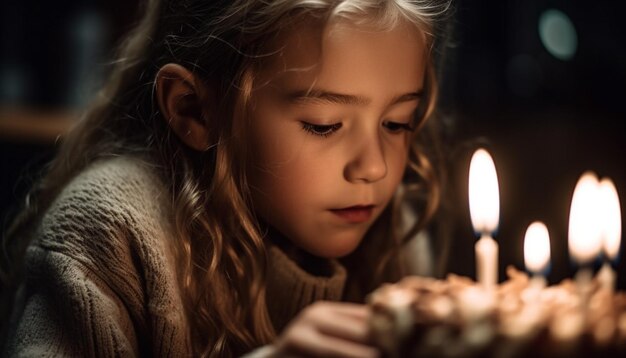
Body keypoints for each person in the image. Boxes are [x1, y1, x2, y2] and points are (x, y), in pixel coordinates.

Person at [0, 0, 453, 356]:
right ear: (194, 111)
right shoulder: (111, 230)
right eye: (323, 124)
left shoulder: (398, 233)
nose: (374, 168)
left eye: (397, 123)